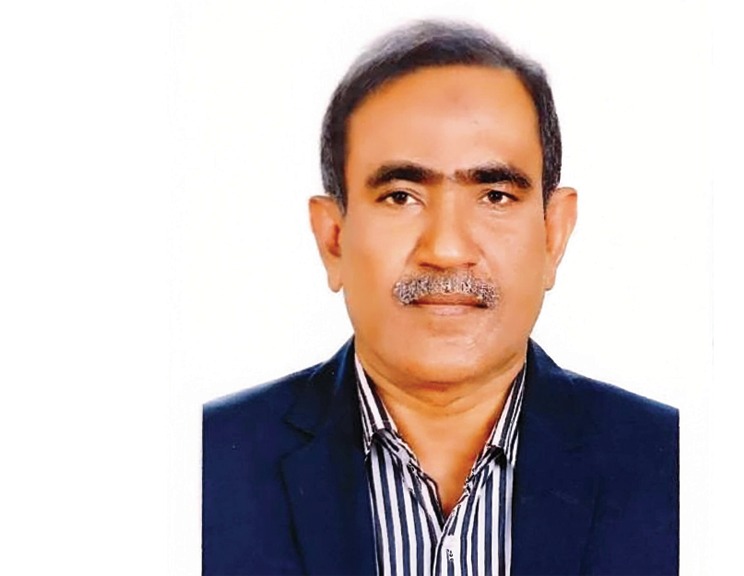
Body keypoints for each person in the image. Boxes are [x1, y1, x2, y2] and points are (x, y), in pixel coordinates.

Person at [203, 20, 678, 575]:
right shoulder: (202, 467)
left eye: (495, 195)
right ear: (333, 238)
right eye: (401, 196)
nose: (447, 250)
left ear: (553, 235)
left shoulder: (678, 467)